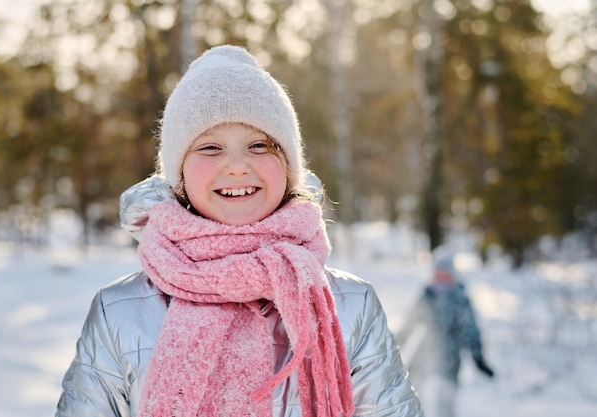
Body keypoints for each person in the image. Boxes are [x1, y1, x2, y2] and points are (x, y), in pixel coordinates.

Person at [55, 45, 423, 417]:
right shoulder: (118, 312)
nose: (236, 166)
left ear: (289, 167)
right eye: (211, 147)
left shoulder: (350, 305)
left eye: (259, 145)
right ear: (179, 174)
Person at [397, 253, 494, 417]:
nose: (441, 279)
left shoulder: (459, 299)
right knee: (411, 390)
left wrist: (478, 357)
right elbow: (411, 323)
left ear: (453, 276)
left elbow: (470, 329)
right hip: (425, 351)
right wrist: (395, 345)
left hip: (450, 355)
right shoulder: (428, 295)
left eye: (445, 275)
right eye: (438, 275)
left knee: (444, 398)